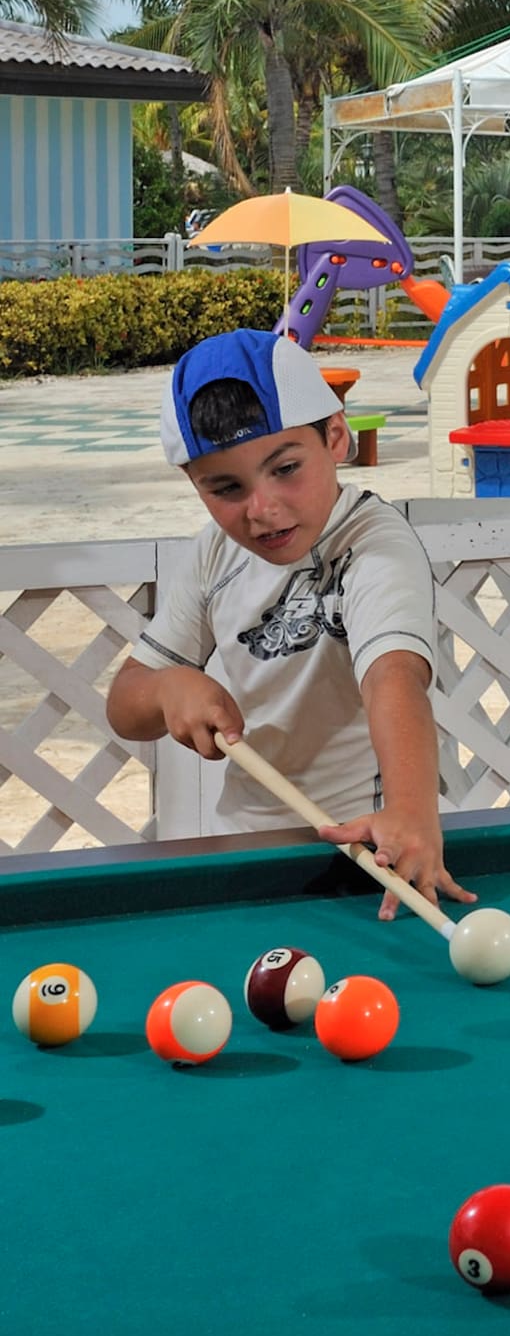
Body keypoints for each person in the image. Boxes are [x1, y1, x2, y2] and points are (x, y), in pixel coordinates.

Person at [105, 330, 470, 920]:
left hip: (371, 854)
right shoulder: (212, 556)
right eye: (226, 488)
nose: (261, 508)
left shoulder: (376, 545)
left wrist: (410, 811)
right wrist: (169, 686)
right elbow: (125, 704)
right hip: (245, 855)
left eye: (286, 468)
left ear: (335, 436)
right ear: (194, 485)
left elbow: (393, 677)